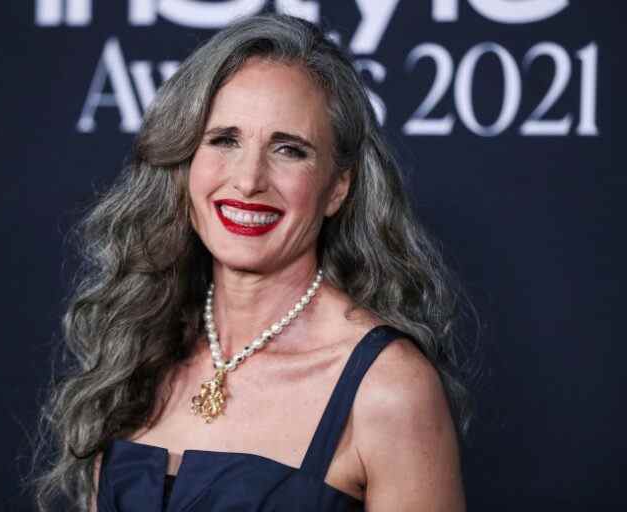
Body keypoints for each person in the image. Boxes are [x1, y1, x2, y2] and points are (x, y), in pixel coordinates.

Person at [33, 12, 471, 512]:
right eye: (224, 140)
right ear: (183, 161)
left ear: (338, 187)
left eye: (289, 149)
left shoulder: (388, 388)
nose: (248, 180)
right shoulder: (138, 350)